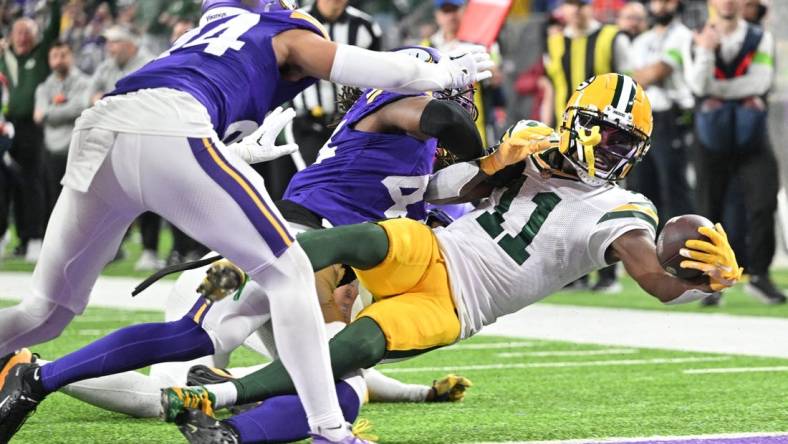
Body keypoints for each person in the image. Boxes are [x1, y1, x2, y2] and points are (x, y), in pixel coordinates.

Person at [0, 0, 493, 441]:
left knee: (46, 312)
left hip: (111, 128)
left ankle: (229, 415)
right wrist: (445, 77)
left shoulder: (220, 27)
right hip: (253, 192)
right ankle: (328, 432)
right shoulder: (298, 37)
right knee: (278, 290)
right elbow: (374, 75)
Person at [162, 75, 743, 443]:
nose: (607, 152)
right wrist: (497, 162)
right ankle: (246, 263)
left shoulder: (623, 206)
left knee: (355, 349)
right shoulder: (534, 148)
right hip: (439, 247)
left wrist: (711, 281)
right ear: (576, 124)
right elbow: (447, 188)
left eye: (621, 145)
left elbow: (657, 282)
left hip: (461, 303)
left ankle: (217, 400)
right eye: (603, 135)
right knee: (367, 239)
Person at [679, 0, 784, 305]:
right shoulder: (695, 37)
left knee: (764, 200)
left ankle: (760, 275)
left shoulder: (758, 36)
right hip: (712, 136)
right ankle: (709, 281)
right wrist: (708, 52)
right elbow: (697, 84)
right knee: (707, 211)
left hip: (751, 135)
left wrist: (718, 92)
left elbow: (761, 81)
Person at [542, 0, 632, 292]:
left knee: (606, 204)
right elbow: (551, 88)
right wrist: (546, 132)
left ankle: (608, 275)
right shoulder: (554, 42)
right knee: (566, 205)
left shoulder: (611, 37)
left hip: (605, 141)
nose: (577, 10)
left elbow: (630, 88)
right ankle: (574, 274)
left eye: (582, 3)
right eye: (572, 4)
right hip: (566, 136)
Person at [259, 0, 383, 200]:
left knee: (352, 182)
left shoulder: (365, 27)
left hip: (351, 123)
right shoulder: (295, 21)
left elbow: (378, 78)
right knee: (318, 181)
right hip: (306, 122)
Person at [0, 0, 62, 263]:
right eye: (18, 32)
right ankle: (6, 236)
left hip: (31, 127)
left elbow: (53, 29)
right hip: (5, 125)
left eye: (27, 33)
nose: (22, 37)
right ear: (11, 36)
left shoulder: (40, 55)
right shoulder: (5, 57)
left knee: (32, 181)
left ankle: (34, 237)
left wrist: (54, 5)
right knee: (3, 184)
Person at [629, 0, 695, 231]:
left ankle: (682, 249)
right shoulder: (641, 41)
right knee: (643, 187)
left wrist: (645, 74)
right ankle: (650, 251)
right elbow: (633, 78)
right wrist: (645, 74)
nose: (662, 6)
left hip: (671, 117)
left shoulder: (683, 36)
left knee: (674, 186)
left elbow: (658, 71)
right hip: (642, 119)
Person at [34, 41, 91, 213]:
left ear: (72, 57)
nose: (59, 60)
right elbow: (38, 116)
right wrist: (63, 110)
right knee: (51, 202)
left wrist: (50, 112)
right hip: (51, 152)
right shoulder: (43, 87)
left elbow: (81, 108)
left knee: (78, 204)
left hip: (77, 152)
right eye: (55, 56)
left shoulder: (85, 82)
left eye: (63, 55)